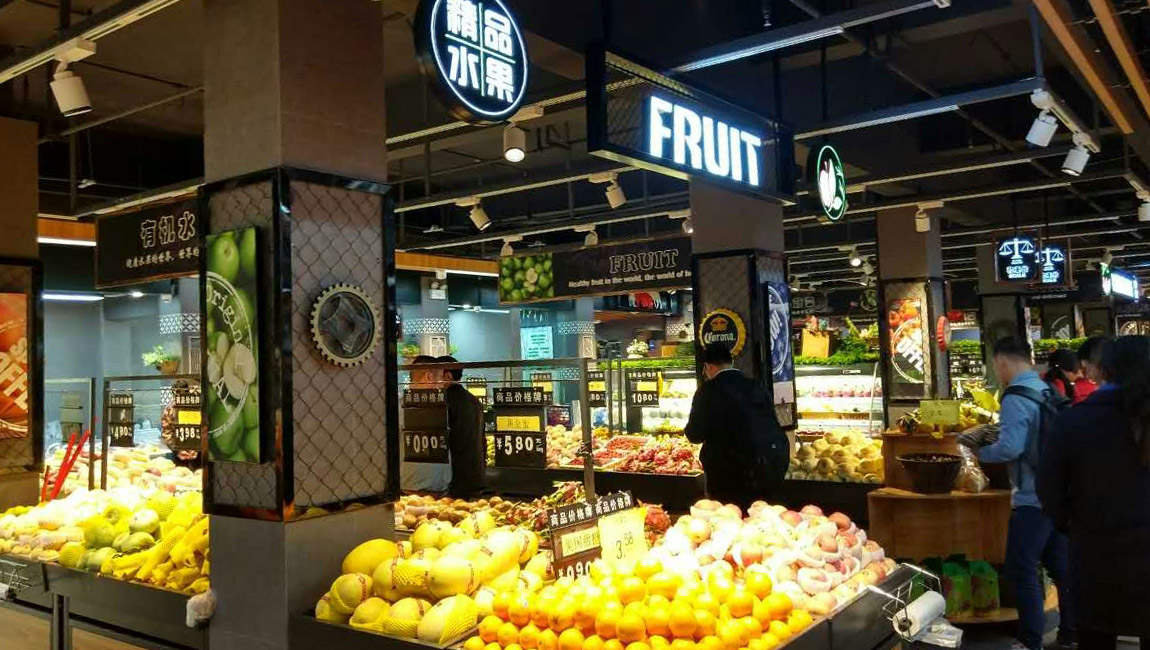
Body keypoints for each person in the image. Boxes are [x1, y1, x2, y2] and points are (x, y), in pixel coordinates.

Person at [1039, 336, 1150, 650]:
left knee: (1096, 636)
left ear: (1104, 369)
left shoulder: (1074, 421)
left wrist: (1073, 525)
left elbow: (1049, 489)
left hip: (1095, 556)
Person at [969, 337, 1075, 650]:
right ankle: (1071, 632)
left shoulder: (1015, 396)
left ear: (1001, 362)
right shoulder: (1046, 389)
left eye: (995, 366)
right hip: (1057, 494)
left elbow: (1011, 447)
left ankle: (1030, 640)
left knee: (1021, 569)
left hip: (1032, 498)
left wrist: (979, 453)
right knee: (1061, 568)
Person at [684, 343, 788, 511]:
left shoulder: (707, 390)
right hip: (763, 466)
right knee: (759, 513)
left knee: (729, 515)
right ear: (731, 362)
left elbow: (695, 434)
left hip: (726, 472)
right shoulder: (756, 385)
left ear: (708, 367)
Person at [436, 355, 486, 498]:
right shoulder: (474, 401)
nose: (434, 380)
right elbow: (482, 441)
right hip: (476, 477)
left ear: (447, 376)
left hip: (454, 481)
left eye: (436, 375)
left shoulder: (443, 401)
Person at [400, 355, 451, 493]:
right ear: (429, 377)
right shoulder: (401, 408)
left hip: (440, 490)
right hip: (411, 492)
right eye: (441, 379)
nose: (443, 385)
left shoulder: (439, 407)